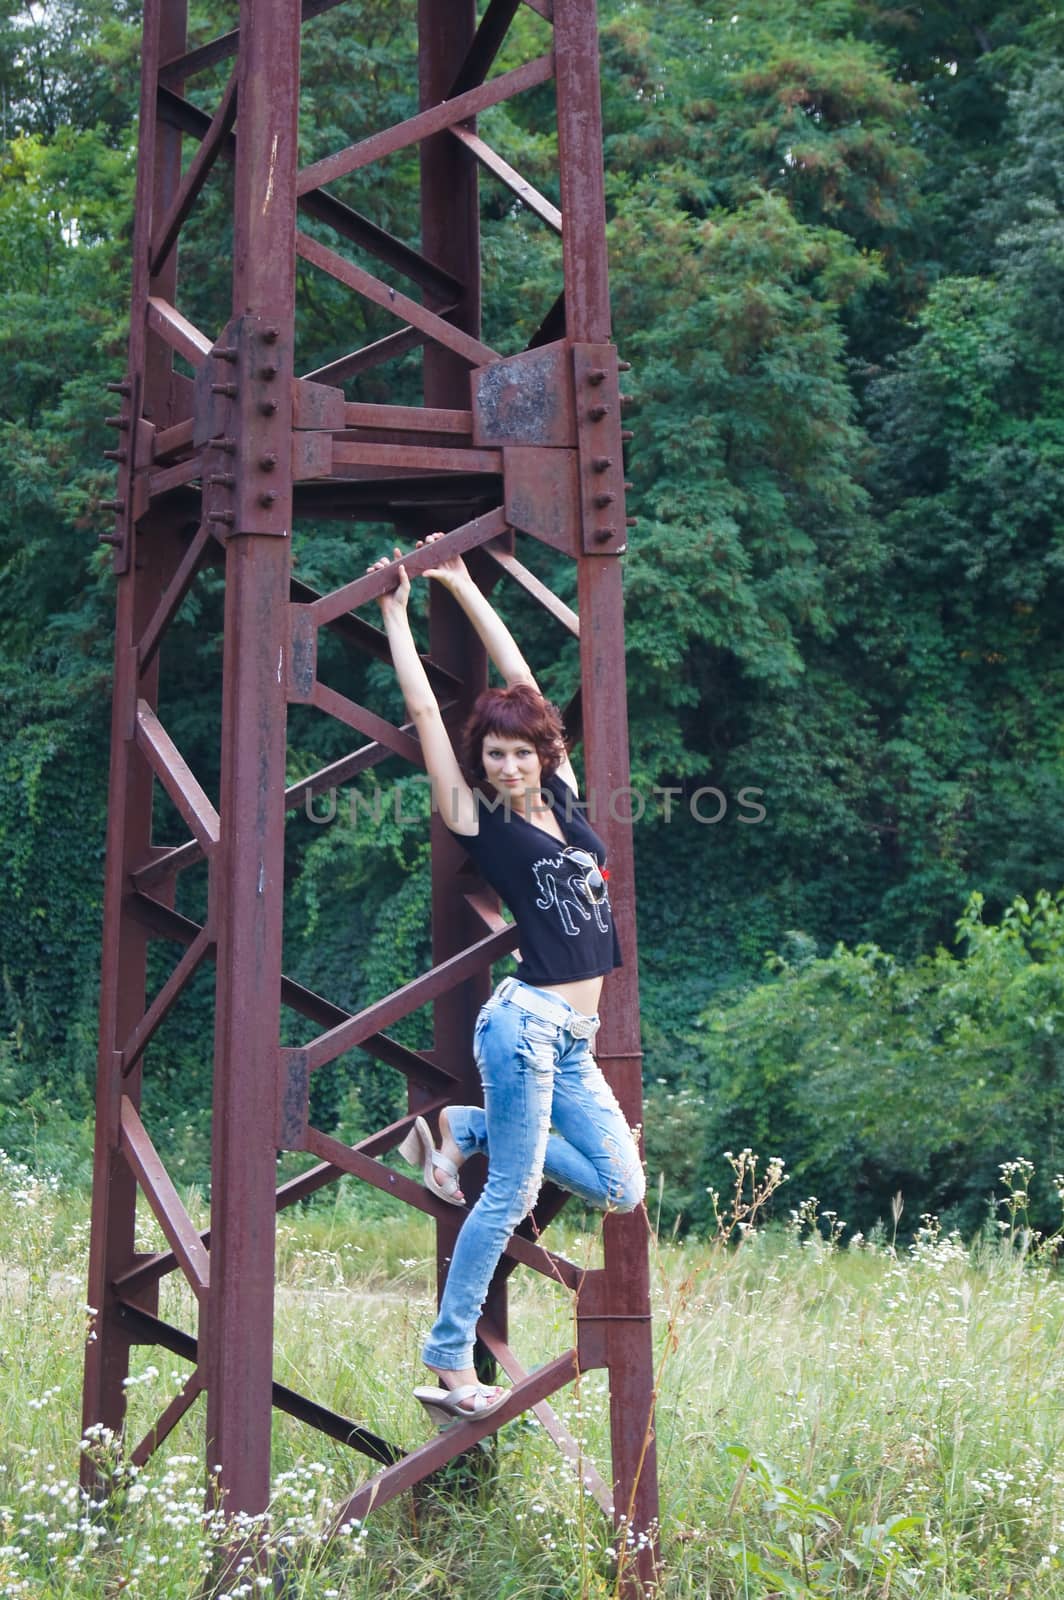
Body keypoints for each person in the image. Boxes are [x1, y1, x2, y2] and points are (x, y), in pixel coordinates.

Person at [369, 533, 645, 1426]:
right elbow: (420, 712)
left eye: (520, 752)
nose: (508, 764)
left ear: (542, 753)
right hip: (523, 1026)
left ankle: (462, 1126)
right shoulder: (480, 822)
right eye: (495, 755)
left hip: (572, 1040)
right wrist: (398, 618)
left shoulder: (564, 798)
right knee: (514, 1193)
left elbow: (523, 678)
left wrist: (460, 584)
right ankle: (450, 1361)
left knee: (620, 1186)